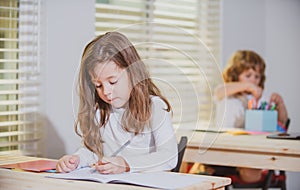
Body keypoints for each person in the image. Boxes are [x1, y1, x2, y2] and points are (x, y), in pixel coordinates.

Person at [56, 32, 178, 174]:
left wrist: (126, 164)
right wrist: (76, 159)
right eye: (98, 85)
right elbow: (94, 152)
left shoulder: (155, 107)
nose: (106, 92)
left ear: (133, 72)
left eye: (112, 82)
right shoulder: (100, 111)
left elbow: (169, 157)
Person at [213, 50, 289, 183]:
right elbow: (218, 91)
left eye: (257, 76)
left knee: (251, 170)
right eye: (248, 75)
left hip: (250, 151)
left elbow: (281, 123)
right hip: (224, 148)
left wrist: (280, 104)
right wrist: (247, 86)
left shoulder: (259, 99)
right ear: (235, 75)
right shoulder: (228, 95)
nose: (253, 80)